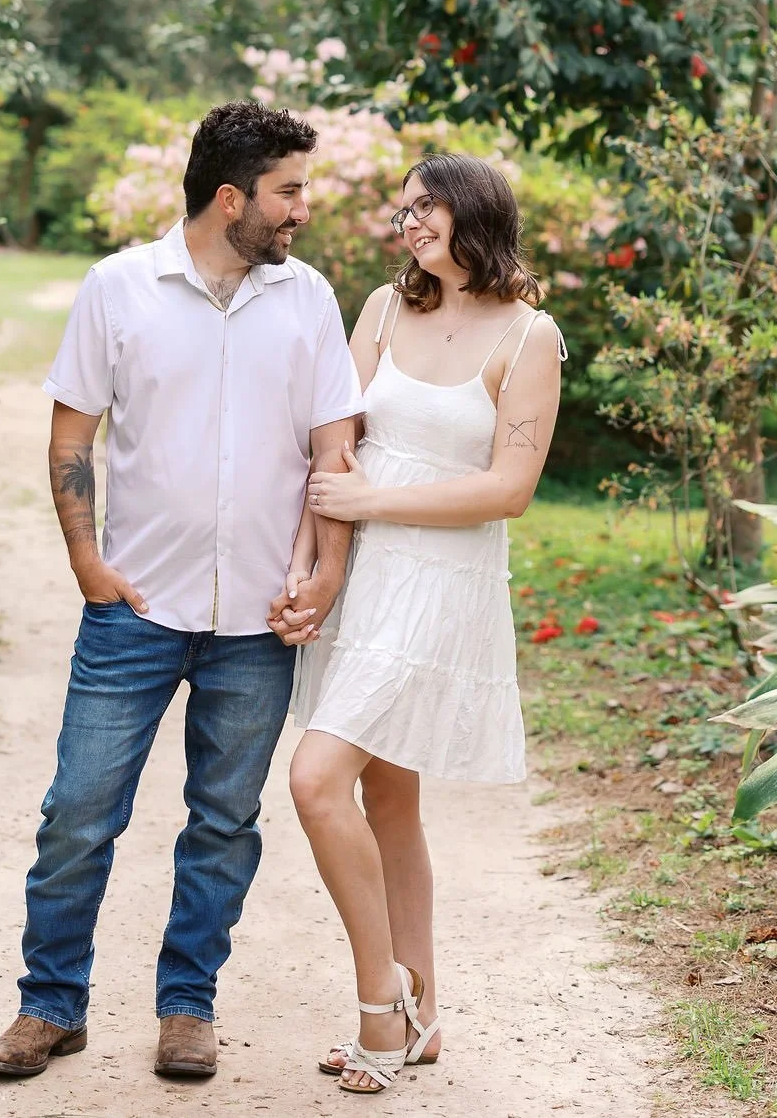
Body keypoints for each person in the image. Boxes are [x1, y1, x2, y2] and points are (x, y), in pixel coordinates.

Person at [0, 101, 362, 1082]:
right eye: (287, 192)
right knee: (78, 811)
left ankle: (188, 1005)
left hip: (256, 628)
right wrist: (84, 562)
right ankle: (49, 1006)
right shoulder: (118, 289)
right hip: (135, 614)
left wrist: (326, 570)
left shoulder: (307, 298)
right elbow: (72, 437)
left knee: (224, 822)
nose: (300, 211)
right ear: (230, 197)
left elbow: (334, 447)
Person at [269, 151, 567, 1096]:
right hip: (363, 576)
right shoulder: (384, 310)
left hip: (441, 582)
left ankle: (380, 1001)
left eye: (425, 207)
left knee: (317, 780)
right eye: (403, 210)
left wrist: (373, 505)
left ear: (474, 213)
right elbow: (336, 442)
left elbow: (508, 489)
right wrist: (310, 562)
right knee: (388, 799)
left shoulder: (530, 338)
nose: (409, 223)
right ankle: (426, 1008)